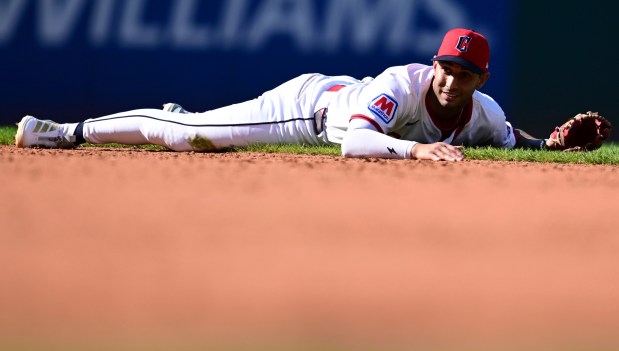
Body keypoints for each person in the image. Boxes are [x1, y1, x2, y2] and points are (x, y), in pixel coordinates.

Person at [15, 28, 551, 162]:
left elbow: (508, 139)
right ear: (433, 64)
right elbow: (356, 144)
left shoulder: (484, 112)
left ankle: (185, 114)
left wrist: (548, 144)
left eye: (464, 73)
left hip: (332, 103)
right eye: (446, 67)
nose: (451, 80)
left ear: (481, 80)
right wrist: (417, 150)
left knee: (197, 124)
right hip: (304, 113)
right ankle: (62, 131)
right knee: (190, 135)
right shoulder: (401, 84)